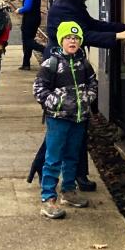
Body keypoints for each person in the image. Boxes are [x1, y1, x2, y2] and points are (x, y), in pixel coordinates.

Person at [29, 0, 125, 192]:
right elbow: (85, 35)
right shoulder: (65, 9)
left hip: (71, 68)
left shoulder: (71, 5)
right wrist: (116, 37)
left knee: (71, 128)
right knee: (67, 128)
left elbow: (92, 25)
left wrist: (121, 27)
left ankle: (70, 174)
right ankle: (72, 176)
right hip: (62, 72)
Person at [34, 21, 98, 219]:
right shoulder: (51, 64)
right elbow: (39, 90)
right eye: (69, 38)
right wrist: (57, 103)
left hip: (79, 118)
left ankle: (68, 191)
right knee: (53, 158)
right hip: (58, 118)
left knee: (72, 155)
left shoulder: (84, 64)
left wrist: (88, 98)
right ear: (61, 40)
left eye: (77, 38)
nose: (73, 41)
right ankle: (48, 198)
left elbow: (92, 83)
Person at [17, 0, 43, 71]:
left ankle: (44, 50)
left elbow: (27, 7)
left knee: (27, 41)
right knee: (28, 40)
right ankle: (26, 64)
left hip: (29, 20)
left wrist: (19, 10)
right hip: (35, 18)